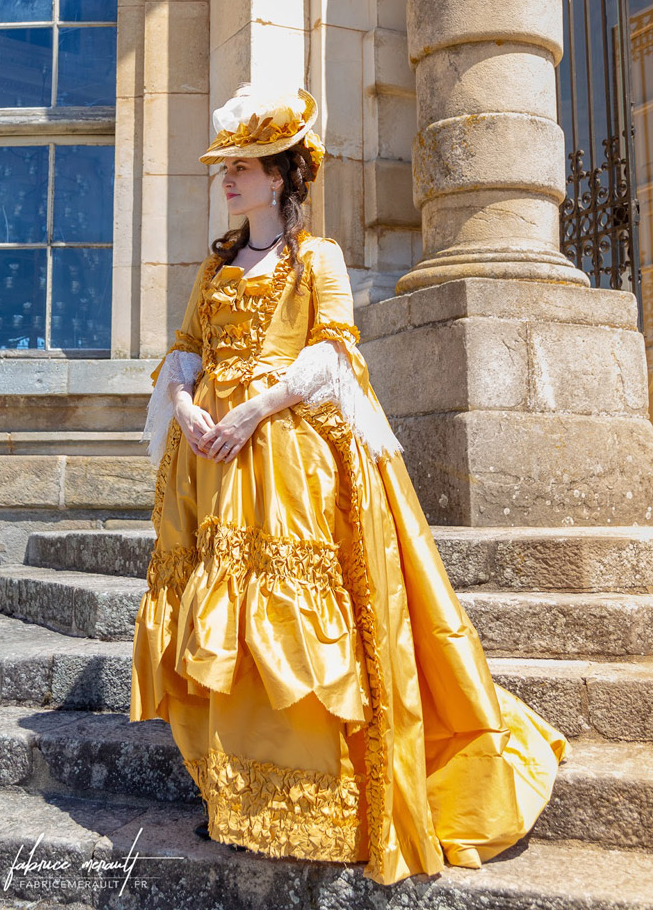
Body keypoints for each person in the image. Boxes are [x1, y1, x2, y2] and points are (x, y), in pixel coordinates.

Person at [130, 83, 570, 887]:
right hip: (213, 464)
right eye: (226, 166)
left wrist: (253, 408)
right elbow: (186, 350)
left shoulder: (318, 258)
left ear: (282, 175)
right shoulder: (218, 261)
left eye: (244, 165)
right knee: (225, 630)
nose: (228, 178)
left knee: (289, 624)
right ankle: (238, 798)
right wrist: (190, 410)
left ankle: (320, 806)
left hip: (285, 454)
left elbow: (333, 354)